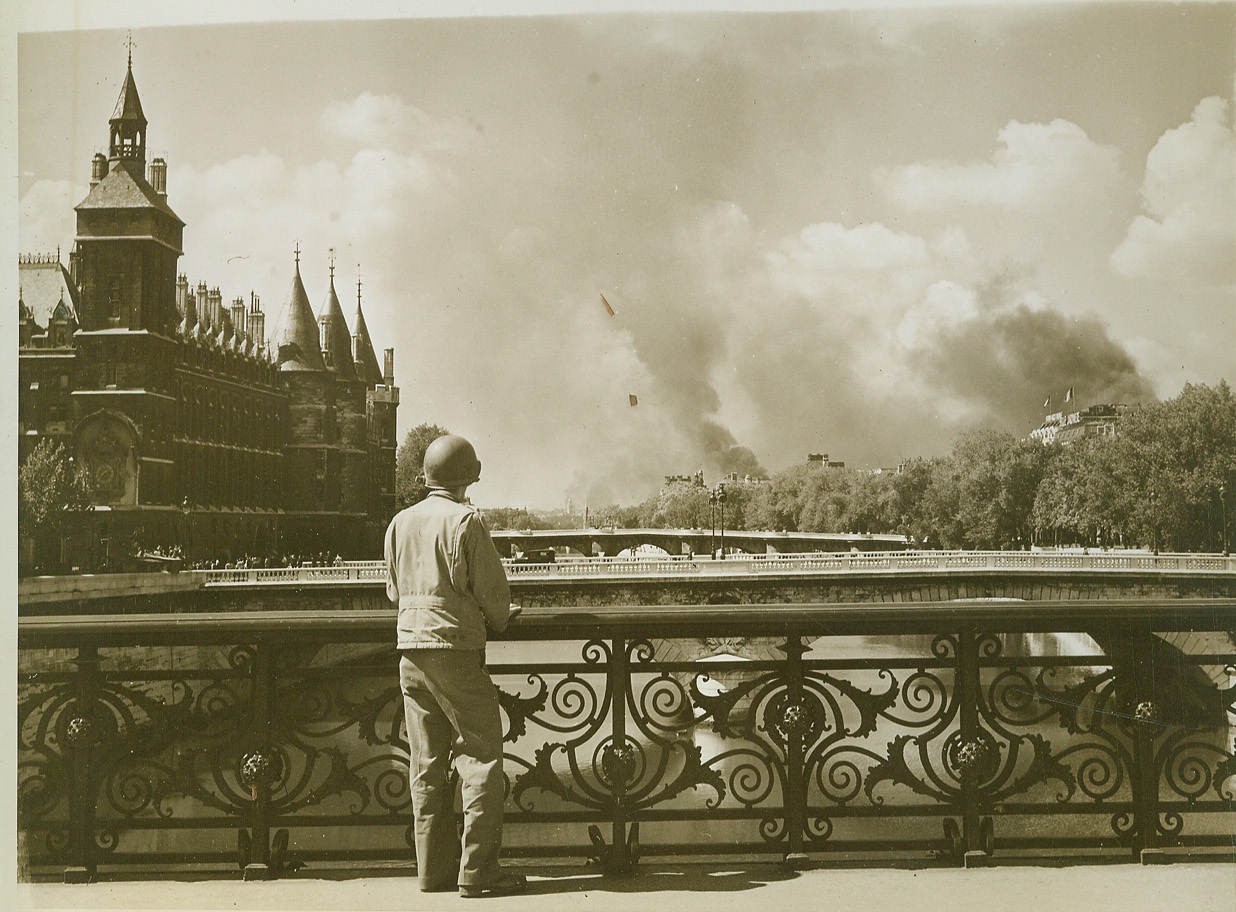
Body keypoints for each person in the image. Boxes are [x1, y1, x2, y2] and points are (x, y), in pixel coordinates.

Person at [384, 434, 526, 899]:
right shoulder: (467, 521)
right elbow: (495, 599)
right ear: (469, 476)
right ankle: (478, 871)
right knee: (480, 757)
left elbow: (393, 593)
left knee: (425, 764)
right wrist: (501, 618)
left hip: (410, 651)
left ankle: (432, 872)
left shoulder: (399, 522)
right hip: (456, 650)